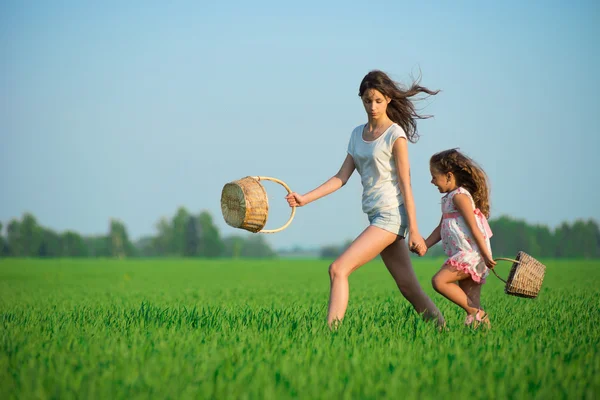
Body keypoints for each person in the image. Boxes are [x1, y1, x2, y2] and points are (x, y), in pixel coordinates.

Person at [285, 70, 444, 328]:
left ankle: (330, 334)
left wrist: (414, 230)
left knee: (338, 269)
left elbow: (406, 184)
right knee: (408, 286)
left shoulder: (395, 134)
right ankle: (442, 328)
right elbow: (341, 177)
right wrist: (305, 198)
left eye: (378, 100)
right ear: (361, 99)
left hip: (391, 215)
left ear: (389, 99)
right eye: (368, 100)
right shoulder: (356, 134)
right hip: (376, 215)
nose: (372, 106)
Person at [424, 149, 496, 328]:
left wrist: (486, 256)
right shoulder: (448, 199)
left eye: (434, 176)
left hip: (471, 255)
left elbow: (474, 228)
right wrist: (425, 245)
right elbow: (440, 229)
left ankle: (478, 314)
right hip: (465, 254)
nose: (432, 181)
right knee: (472, 303)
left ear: (448, 176)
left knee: (439, 281)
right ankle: (482, 331)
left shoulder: (460, 197)